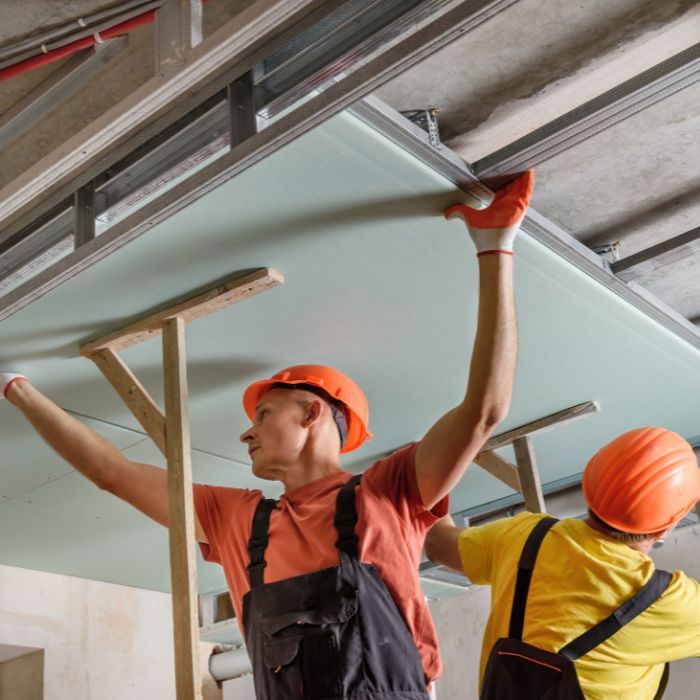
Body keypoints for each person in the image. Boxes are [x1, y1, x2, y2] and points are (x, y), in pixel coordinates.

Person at [0, 170, 533, 699]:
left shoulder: (388, 492)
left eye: (264, 415)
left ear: (311, 414)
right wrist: (14, 387)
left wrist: (495, 250)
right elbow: (110, 473)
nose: (245, 434)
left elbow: (485, 410)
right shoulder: (236, 520)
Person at [425, 426, 700, 700]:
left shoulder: (526, 537)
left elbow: (438, 545)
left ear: (591, 484)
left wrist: (424, 470)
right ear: (665, 528)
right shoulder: (665, 602)